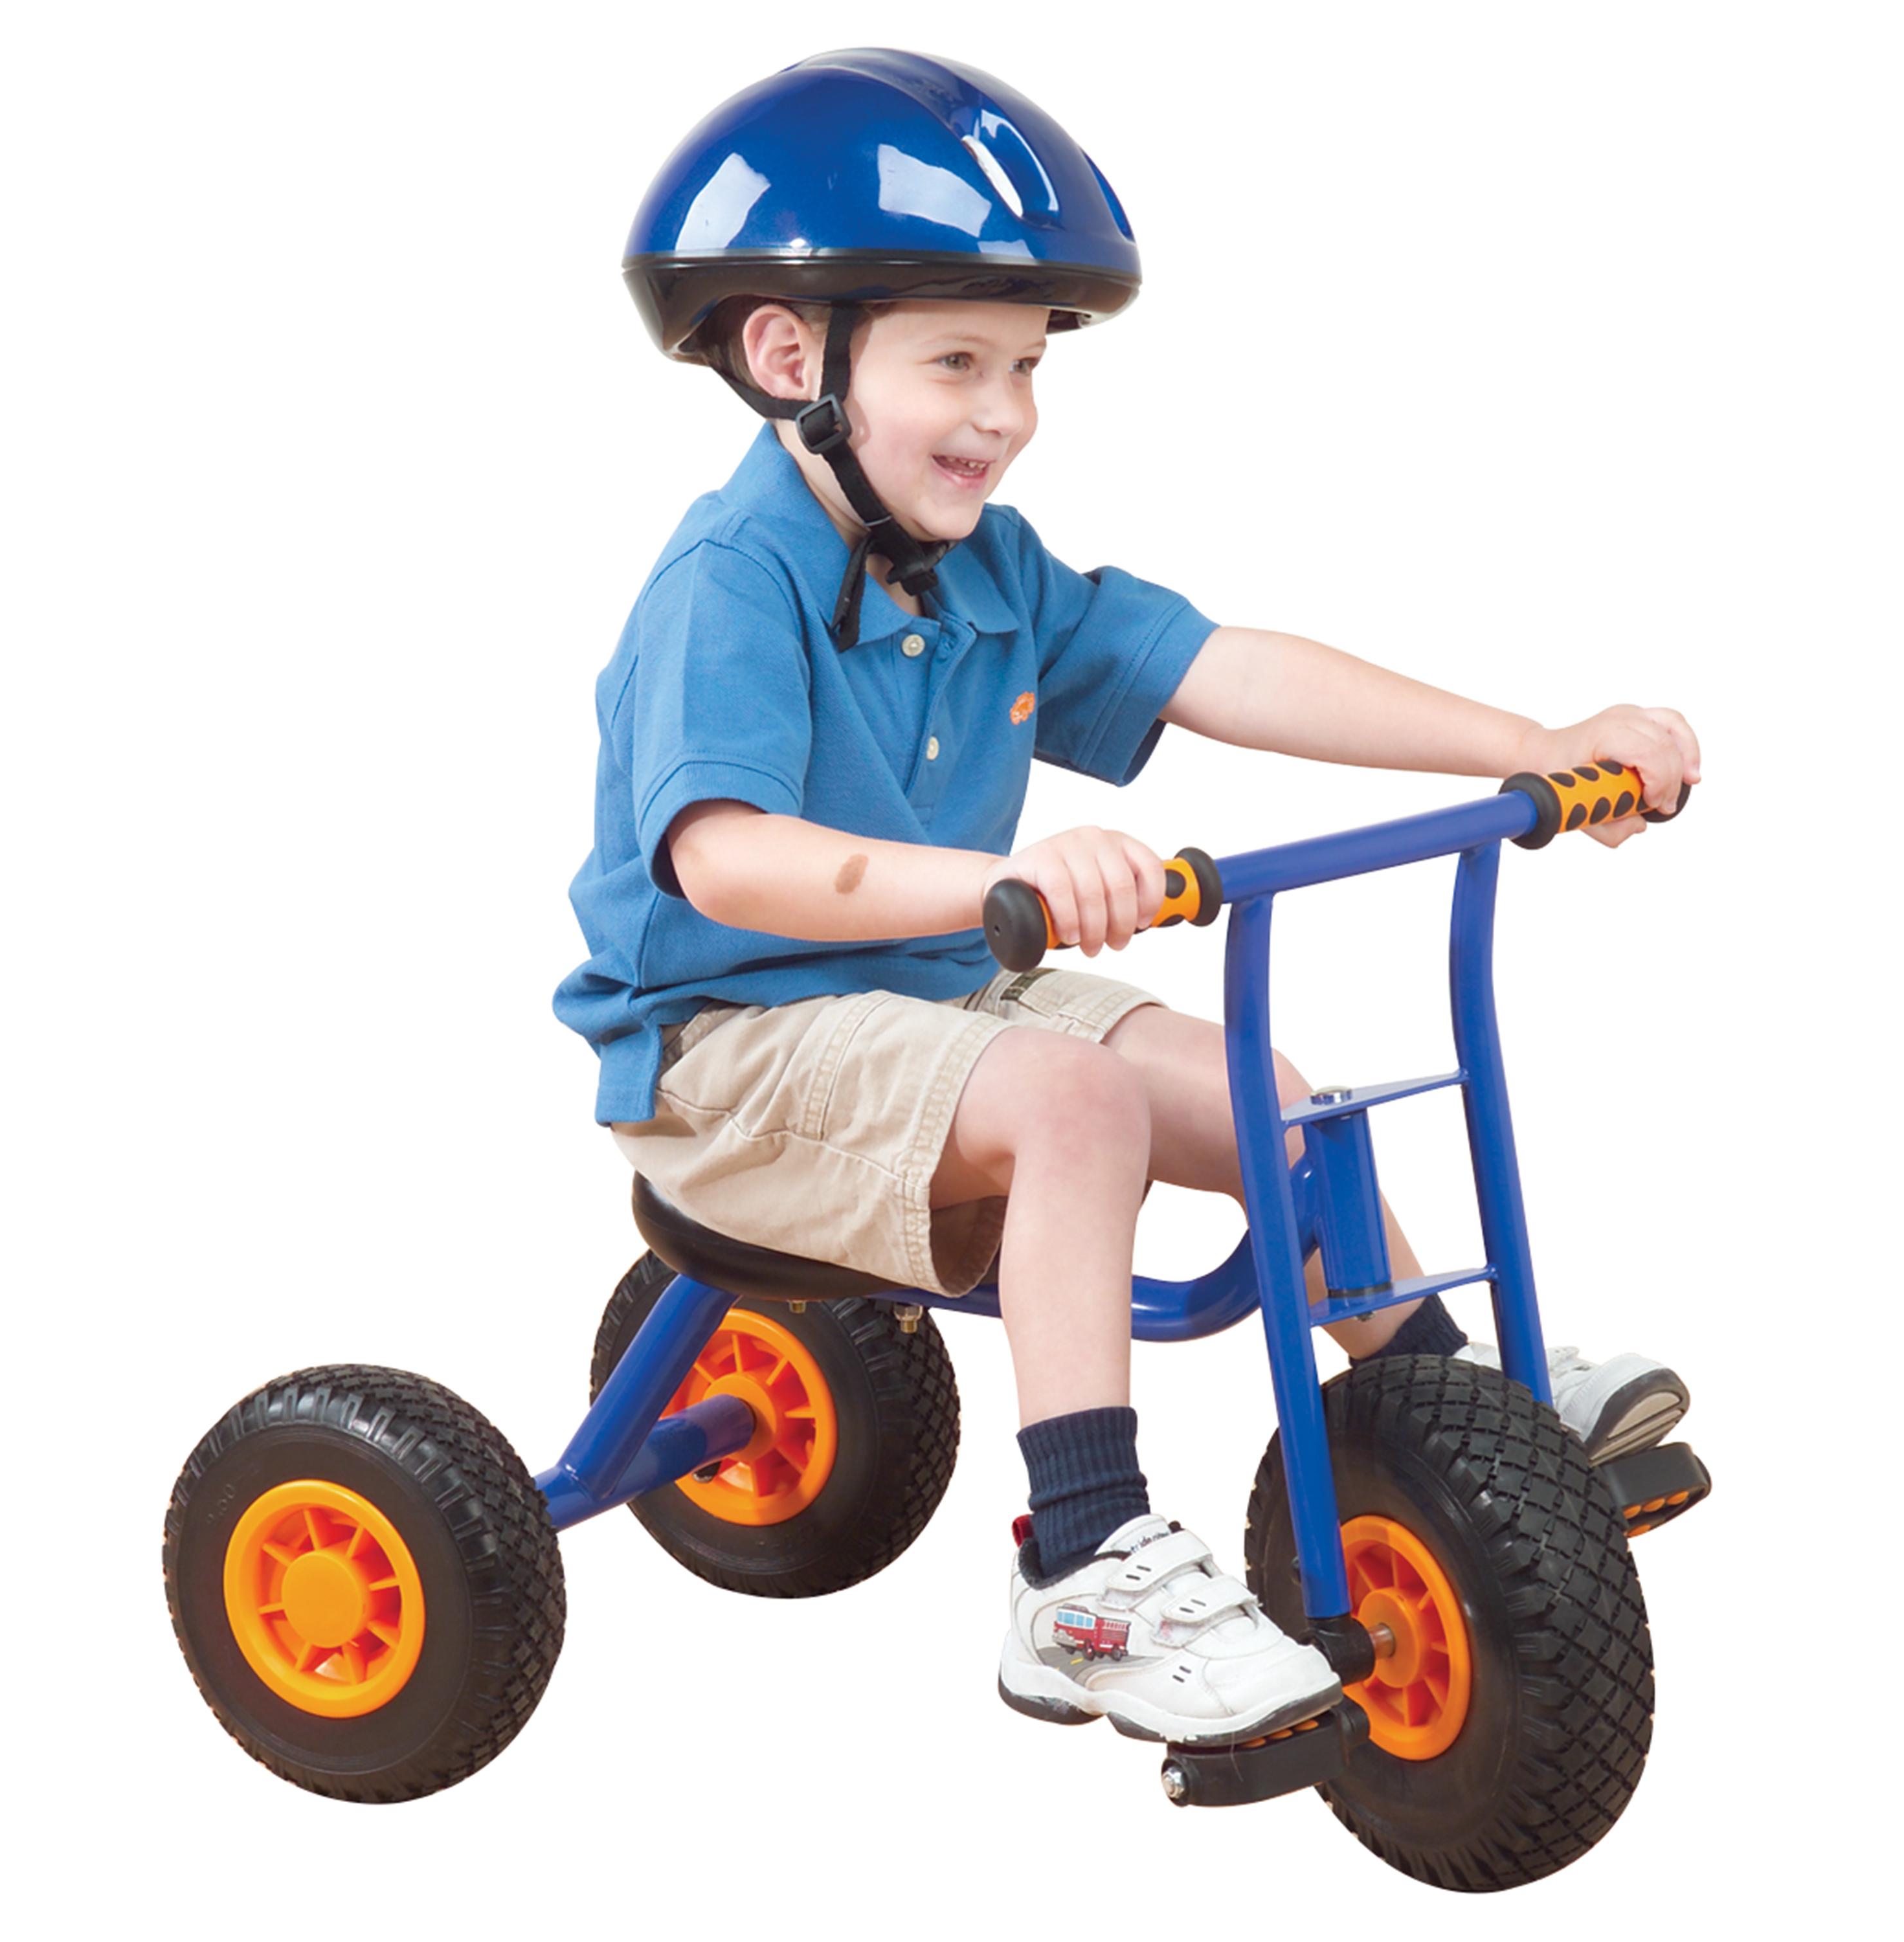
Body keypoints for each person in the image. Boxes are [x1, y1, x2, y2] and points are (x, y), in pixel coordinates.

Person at [555, 50, 1702, 1747]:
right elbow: (724, 858)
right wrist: (1005, 876)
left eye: (1025, 366)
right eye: (957, 361)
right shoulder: (734, 583)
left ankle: (1441, 1399)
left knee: (1268, 1100)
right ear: (793, 357)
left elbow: (1223, 668)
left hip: (933, 990)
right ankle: (1082, 1572)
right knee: (1078, 1102)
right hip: (729, 1048)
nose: (1007, 413)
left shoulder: (986, 570)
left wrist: (1527, 740)